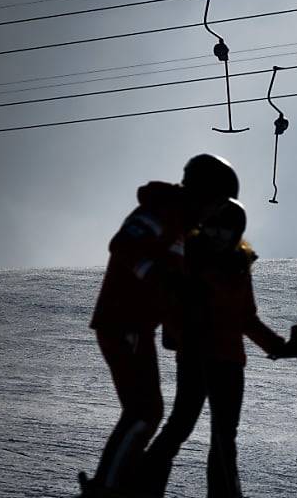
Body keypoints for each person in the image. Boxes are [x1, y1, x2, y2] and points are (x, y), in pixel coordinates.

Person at [82, 154, 238, 497]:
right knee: (144, 410)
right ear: (204, 193)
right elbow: (123, 245)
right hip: (123, 320)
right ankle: (107, 488)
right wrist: (164, 278)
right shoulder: (162, 210)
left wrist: (181, 332)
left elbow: (171, 293)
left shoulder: (180, 224)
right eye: (217, 203)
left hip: (139, 325)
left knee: (147, 411)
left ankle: (117, 484)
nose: (215, 213)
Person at [140, 199, 297, 498]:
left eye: (227, 230)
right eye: (215, 228)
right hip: (196, 356)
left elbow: (246, 318)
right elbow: (169, 308)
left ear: (237, 233)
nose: (220, 235)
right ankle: (141, 486)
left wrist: (281, 347)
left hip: (230, 361)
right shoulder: (189, 259)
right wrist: (184, 335)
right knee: (182, 423)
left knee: (224, 436)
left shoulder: (239, 266)